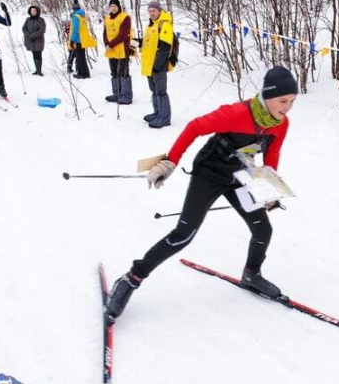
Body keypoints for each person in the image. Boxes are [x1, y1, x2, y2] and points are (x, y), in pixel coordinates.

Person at [105, 66, 299, 320]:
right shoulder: (237, 113)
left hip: (238, 177)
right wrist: (170, 161)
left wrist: (268, 185)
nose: (287, 107)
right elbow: (194, 128)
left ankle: (252, 274)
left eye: (293, 101)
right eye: (283, 100)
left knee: (263, 229)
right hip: (208, 173)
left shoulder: (280, 125)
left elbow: (272, 154)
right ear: (267, 95)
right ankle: (131, 279)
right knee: (183, 234)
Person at [141, 0, 175, 128]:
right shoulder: (151, 25)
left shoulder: (164, 24)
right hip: (149, 64)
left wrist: (157, 65)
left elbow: (165, 46)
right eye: (150, 11)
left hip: (158, 65)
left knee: (161, 91)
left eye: (154, 10)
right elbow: (147, 44)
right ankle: (157, 113)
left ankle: (164, 118)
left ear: (159, 10)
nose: (152, 13)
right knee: (154, 89)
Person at [103, 0, 133, 104]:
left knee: (123, 72)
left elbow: (123, 34)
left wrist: (111, 44)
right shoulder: (107, 18)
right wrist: (107, 43)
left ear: (118, 6)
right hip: (111, 49)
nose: (113, 8)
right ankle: (117, 94)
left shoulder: (125, 17)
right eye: (111, 6)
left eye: (115, 6)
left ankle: (127, 96)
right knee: (114, 72)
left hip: (122, 49)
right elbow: (105, 32)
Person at [68, 0, 96, 79]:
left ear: (73, 8)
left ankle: (83, 74)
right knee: (81, 57)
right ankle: (83, 73)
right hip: (83, 39)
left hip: (78, 40)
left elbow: (75, 29)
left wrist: (72, 40)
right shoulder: (82, 15)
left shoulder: (76, 16)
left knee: (80, 57)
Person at [22, 5, 46, 76]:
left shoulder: (41, 20)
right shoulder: (28, 19)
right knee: (34, 54)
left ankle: (39, 71)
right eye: (32, 11)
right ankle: (36, 69)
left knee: (38, 54)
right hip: (30, 41)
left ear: (37, 11)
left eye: (34, 11)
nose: (33, 12)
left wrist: (33, 35)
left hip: (38, 41)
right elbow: (24, 28)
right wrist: (28, 35)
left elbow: (42, 30)